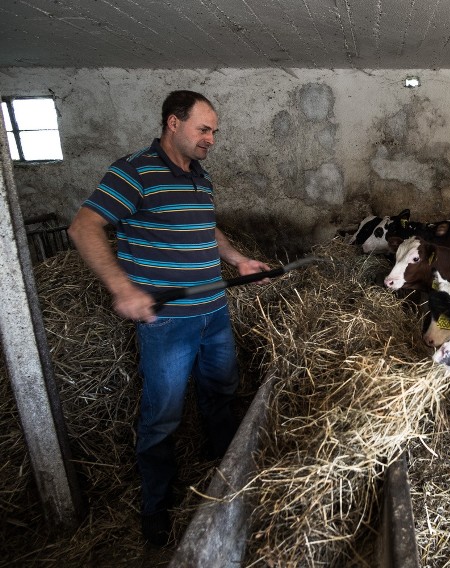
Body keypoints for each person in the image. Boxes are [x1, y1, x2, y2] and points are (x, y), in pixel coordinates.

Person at [68, 90, 270, 546]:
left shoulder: (200, 176)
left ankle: (224, 476)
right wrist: (123, 289)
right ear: (173, 124)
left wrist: (237, 260)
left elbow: (205, 223)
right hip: (169, 323)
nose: (211, 139)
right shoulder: (134, 171)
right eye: (203, 129)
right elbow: (83, 226)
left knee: (221, 395)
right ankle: (156, 508)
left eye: (214, 131)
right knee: (163, 415)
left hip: (214, 311)